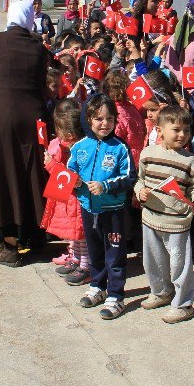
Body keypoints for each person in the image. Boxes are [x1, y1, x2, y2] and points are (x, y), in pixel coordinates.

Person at [0, 0, 52, 266]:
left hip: (3, 117)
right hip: (34, 117)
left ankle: (10, 247)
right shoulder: (39, 48)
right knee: (32, 174)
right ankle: (36, 236)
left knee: (6, 176)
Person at [67, 94, 136, 320]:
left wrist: (105, 185)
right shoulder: (79, 147)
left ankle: (116, 296)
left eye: (109, 119)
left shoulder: (120, 148)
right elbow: (69, 172)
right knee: (95, 250)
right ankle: (98, 286)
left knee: (114, 253)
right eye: (98, 118)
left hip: (113, 210)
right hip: (89, 208)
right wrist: (75, 182)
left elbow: (129, 177)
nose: (104, 124)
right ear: (88, 119)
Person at [134, 105, 194, 324]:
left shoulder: (190, 160)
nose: (182, 135)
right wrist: (139, 191)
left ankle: (183, 304)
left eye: (186, 130)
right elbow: (139, 181)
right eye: (176, 129)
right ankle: (161, 291)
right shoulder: (147, 154)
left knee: (179, 265)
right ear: (160, 129)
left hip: (177, 222)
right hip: (150, 219)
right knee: (153, 262)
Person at [43, 99, 89, 285]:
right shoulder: (69, 147)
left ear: (70, 133)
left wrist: (51, 165)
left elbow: (72, 179)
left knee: (82, 235)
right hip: (71, 200)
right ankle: (77, 259)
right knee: (74, 234)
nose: (57, 134)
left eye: (59, 130)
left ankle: (87, 266)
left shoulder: (80, 151)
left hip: (80, 200)